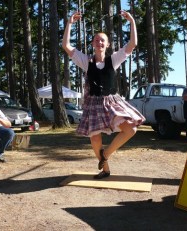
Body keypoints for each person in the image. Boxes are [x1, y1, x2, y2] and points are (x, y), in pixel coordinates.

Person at [62, 11, 145, 179]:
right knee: (95, 141)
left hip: (111, 102)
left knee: (130, 130)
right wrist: (70, 24)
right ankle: (105, 169)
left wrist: (132, 22)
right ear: (93, 44)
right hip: (93, 104)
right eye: (97, 40)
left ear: (107, 45)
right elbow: (66, 46)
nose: (99, 42)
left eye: (103, 40)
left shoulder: (113, 60)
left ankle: (106, 153)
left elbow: (132, 44)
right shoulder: (87, 61)